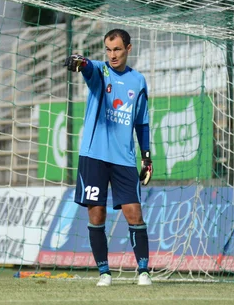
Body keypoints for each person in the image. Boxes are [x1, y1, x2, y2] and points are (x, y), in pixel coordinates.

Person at [64, 28, 153, 287]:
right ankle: (104, 273)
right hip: (94, 156)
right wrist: (82, 62)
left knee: (134, 213)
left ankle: (144, 271)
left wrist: (147, 157)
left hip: (124, 158)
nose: (112, 55)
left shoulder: (138, 81)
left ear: (128, 49)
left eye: (117, 49)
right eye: (108, 49)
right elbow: (88, 69)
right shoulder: (100, 72)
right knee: (97, 214)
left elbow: (142, 122)